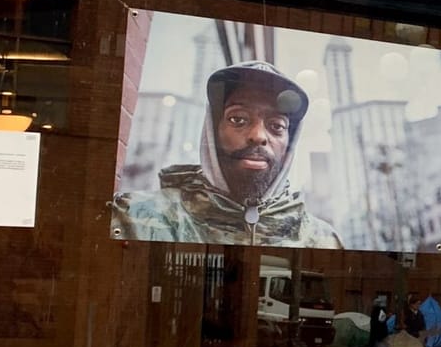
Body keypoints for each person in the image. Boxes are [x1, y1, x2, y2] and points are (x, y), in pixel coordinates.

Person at [112, 60, 343, 247]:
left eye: (276, 126)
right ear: (213, 131)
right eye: (238, 119)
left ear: (289, 144)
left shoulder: (323, 241)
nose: (258, 136)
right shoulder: (132, 217)